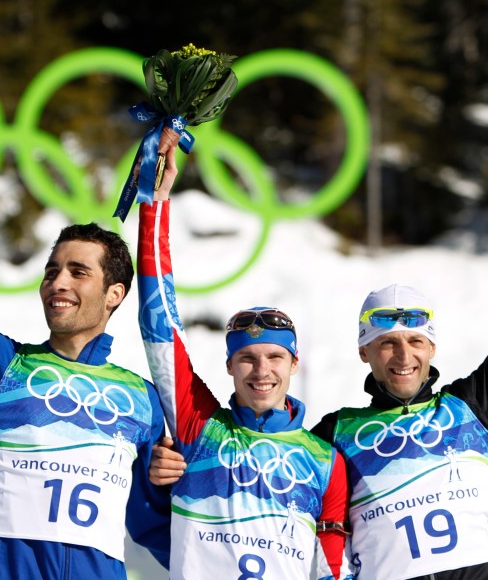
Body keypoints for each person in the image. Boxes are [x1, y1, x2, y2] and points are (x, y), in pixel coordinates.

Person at [151, 282, 488, 579]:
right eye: (387, 343)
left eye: (416, 342)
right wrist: (175, 469)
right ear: (364, 351)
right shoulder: (335, 435)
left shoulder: (470, 407)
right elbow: (255, 479)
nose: (403, 357)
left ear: (432, 348)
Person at [0, 217, 171, 578]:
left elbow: (158, 526)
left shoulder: (141, 400)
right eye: (52, 271)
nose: (58, 283)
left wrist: (171, 484)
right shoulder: (0, 368)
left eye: (78, 272)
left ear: (114, 294)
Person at [137, 143, 355, 580]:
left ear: (295, 364)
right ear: (229, 366)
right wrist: (154, 205)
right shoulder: (198, 426)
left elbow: (335, 566)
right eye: (247, 358)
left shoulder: (325, 462)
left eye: (275, 357)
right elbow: (160, 326)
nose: (261, 371)